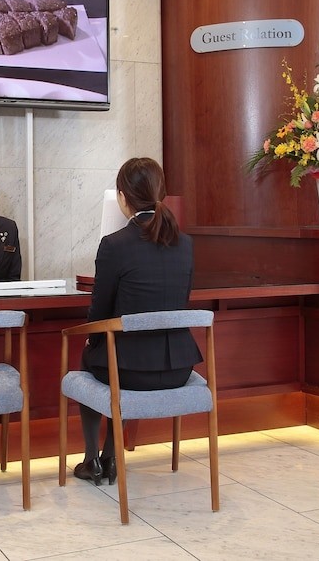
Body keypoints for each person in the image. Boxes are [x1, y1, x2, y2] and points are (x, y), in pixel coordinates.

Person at [74, 157, 202, 486]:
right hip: (177, 369)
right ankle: (111, 456)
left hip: (130, 373)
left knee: (92, 356)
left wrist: (91, 339)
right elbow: (181, 301)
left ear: (122, 197)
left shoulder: (114, 245)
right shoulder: (185, 244)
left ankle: (92, 460)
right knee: (114, 357)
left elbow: (99, 313)